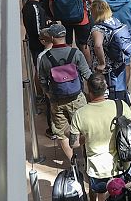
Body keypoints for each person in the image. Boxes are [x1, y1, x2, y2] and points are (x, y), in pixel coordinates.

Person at [70, 73, 131, 201]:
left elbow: (73, 144)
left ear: (88, 91)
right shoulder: (120, 105)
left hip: (97, 167)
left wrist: (86, 137)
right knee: (121, 192)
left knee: (101, 196)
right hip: (121, 161)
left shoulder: (80, 114)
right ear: (105, 89)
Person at [36, 24, 91, 162]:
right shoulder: (75, 53)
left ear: (52, 38)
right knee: (85, 129)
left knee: (62, 134)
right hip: (77, 97)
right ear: (65, 36)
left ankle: (73, 164)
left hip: (56, 101)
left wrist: (48, 94)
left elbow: (42, 80)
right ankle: (88, 158)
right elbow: (87, 74)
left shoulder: (44, 58)